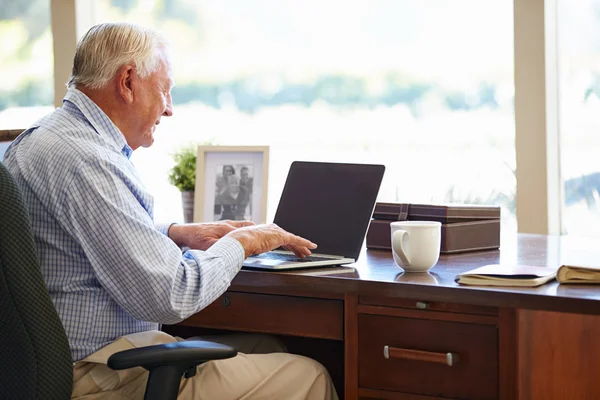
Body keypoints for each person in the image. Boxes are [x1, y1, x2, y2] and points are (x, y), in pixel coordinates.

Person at [3, 22, 338, 400]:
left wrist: (173, 234)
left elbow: (76, 238)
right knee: (310, 374)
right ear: (128, 81)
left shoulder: (43, 138)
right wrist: (242, 242)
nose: (170, 108)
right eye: (165, 90)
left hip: (59, 365)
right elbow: (173, 295)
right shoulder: (87, 160)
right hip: (100, 376)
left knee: (270, 346)